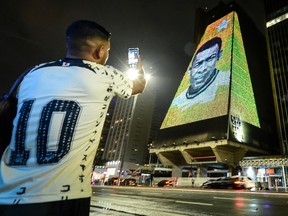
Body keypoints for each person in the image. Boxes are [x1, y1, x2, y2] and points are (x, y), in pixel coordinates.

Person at [0, 20, 146, 216]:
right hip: (63, 196)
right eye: (108, 52)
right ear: (100, 52)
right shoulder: (105, 75)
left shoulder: (32, 73)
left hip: (7, 195)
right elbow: (139, 85)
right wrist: (137, 64)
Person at [171, 36, 230, 110]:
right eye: (198, 64)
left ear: (219, 56)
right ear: (190, 71)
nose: (203, 68)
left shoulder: (227, 81)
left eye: (210, 59)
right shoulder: (178, 102)